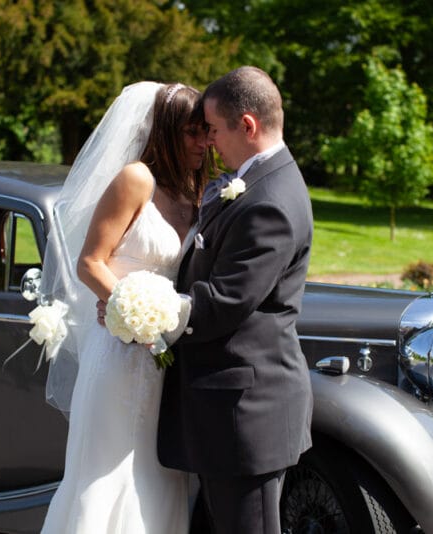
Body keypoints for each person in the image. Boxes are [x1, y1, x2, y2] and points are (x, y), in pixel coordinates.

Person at [39, 81, 211, 533]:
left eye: (205, 132)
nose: (202, 143)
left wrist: (161, 321)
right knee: (107, 472)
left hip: (165, 356)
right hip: (118, 349)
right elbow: (90, 262)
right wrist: (127, 305)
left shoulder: (195, 188)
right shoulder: (136, 179)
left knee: (158, 476)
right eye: (192, 133)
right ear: (167, 133)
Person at [158, 66, 314, 534]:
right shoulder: (258, 182)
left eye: (213, 130)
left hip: (246, 414)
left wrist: (143, 311)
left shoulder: (270, 200)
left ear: (247, 126)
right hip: (227, 410)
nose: (208, 142)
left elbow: (225, 301)